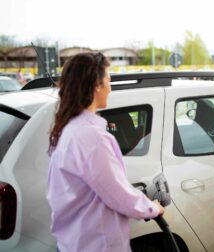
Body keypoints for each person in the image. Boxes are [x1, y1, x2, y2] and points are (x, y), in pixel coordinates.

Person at [47, 52, 164, 252]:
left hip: (75, 244)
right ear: (97, 85)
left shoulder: (68, 130)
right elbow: (117, 194)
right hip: (96, 246)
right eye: (109, 80)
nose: (110, 88)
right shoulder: (91, 137)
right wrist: (152, 208)